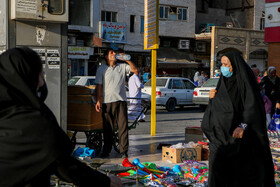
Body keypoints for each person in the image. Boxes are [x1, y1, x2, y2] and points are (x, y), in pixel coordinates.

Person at [0, 47, 121, 187]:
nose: (41, 83)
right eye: (40, 76)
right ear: (27, 78)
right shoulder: (31, 123)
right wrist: (106, 182)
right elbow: (64, 165)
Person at [201, 51, 275, 187]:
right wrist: (212, 99)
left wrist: (243, 125)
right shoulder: (223, 83)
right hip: (221, 138)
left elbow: (252, 107)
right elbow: (218, 107)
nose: (223, 67)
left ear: (234, 66)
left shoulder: (245, 84)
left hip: (240, 140)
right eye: (221, 64)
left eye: (226, 64)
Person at [95, 48, 138, 158]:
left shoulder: (122, 67)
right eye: (111, 53)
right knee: (108, 128)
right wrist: (98, 101)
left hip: (121, 101)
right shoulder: (101, 69)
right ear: (106, 56)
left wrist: (126, 59)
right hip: (107, 102)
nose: (114, 54)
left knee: (122, 127)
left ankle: (124, 151)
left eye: (115, 52)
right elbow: (99, 86)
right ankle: (106, 151)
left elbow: (135, 70)